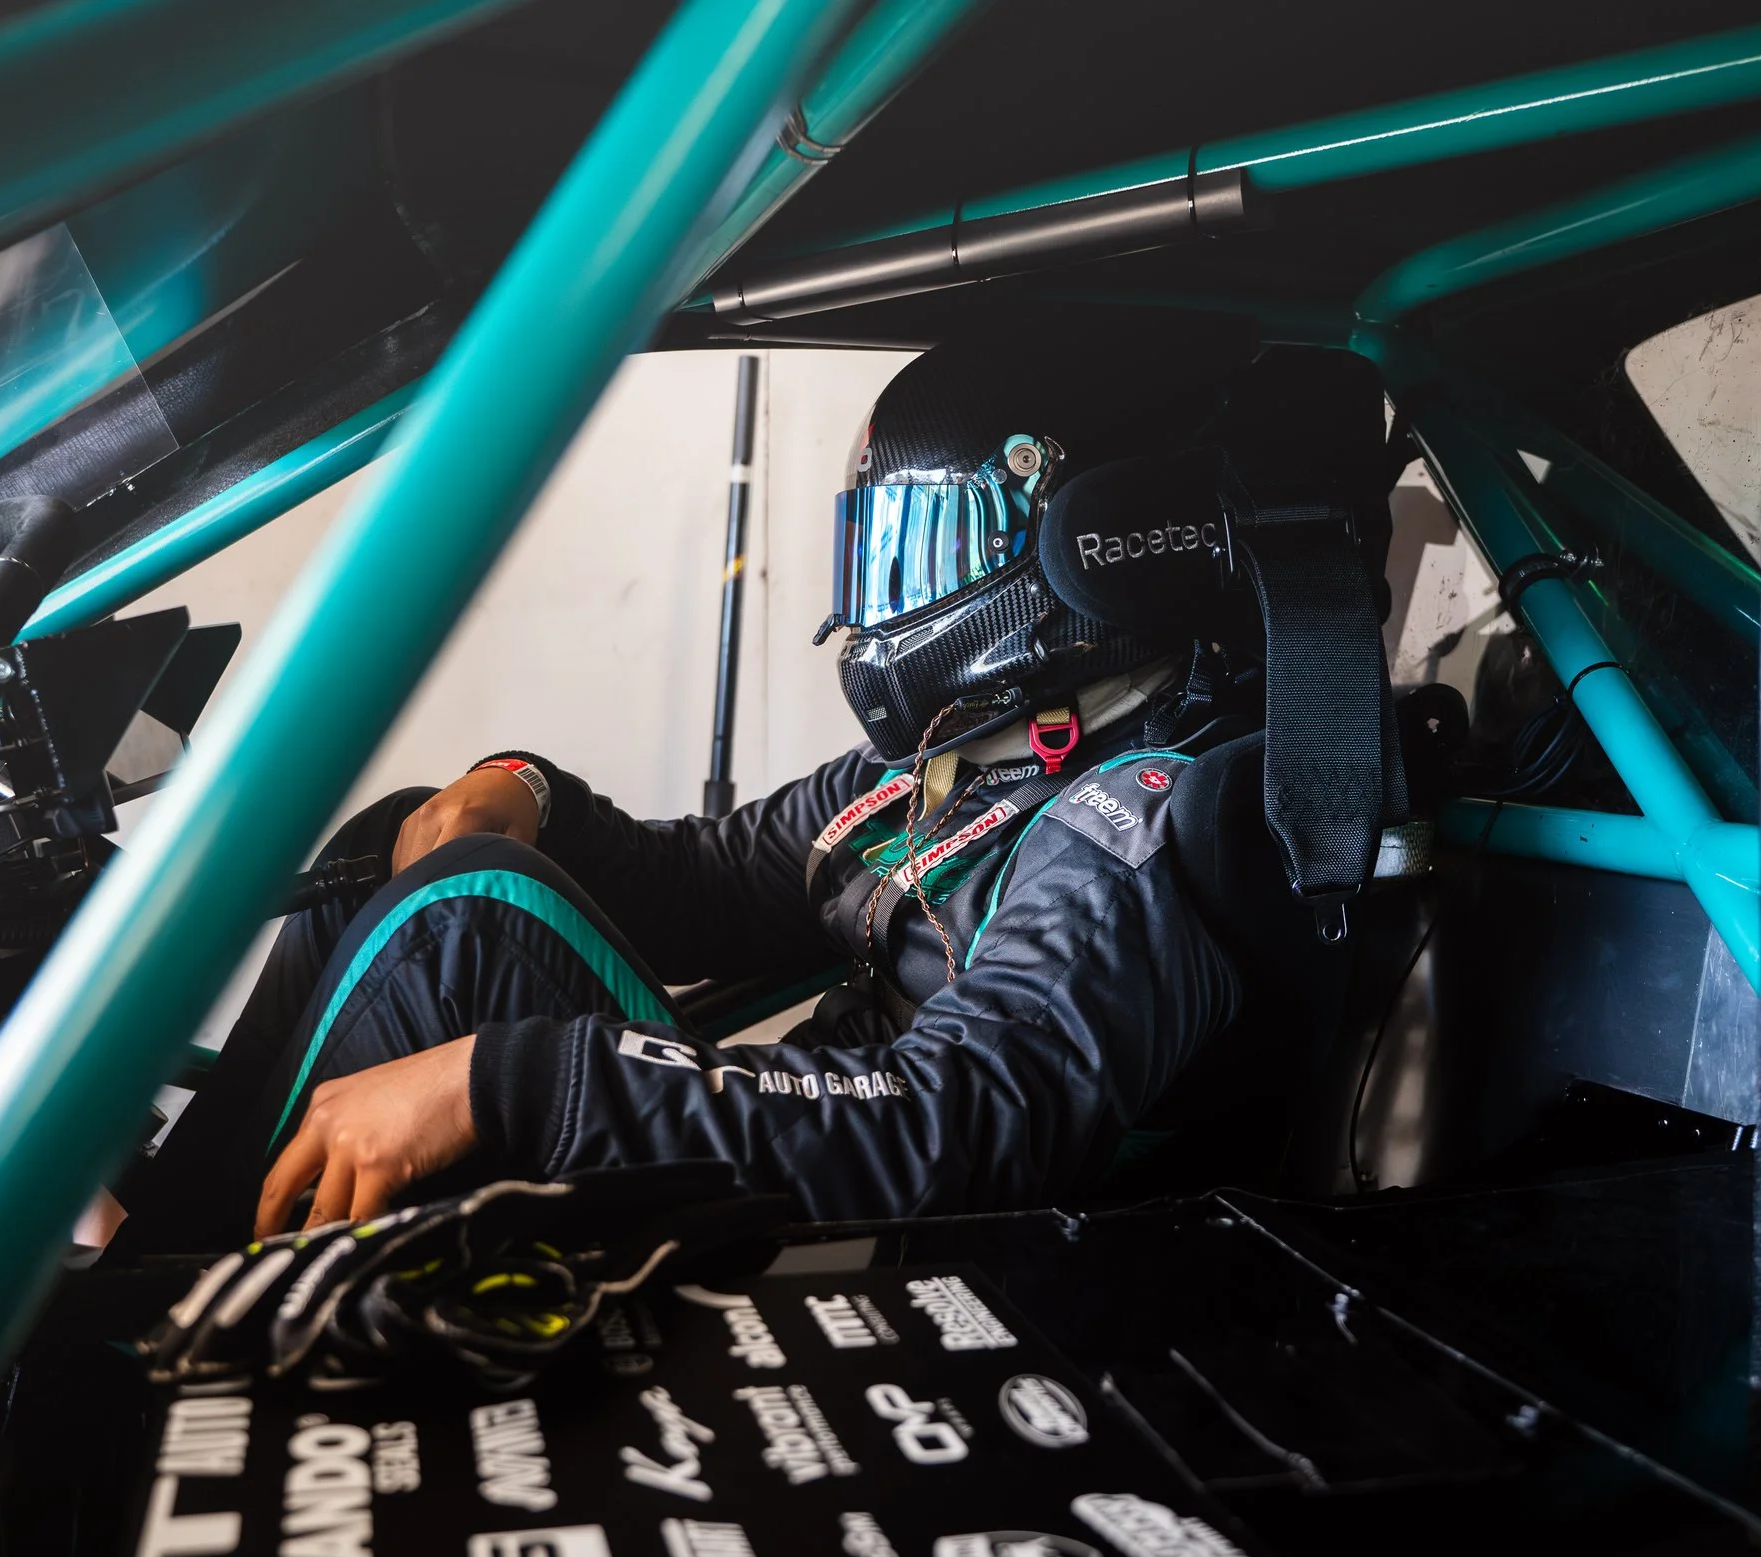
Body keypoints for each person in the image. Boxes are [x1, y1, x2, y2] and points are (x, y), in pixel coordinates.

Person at [117, 313, 1398, 1247]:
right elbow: (718, 875)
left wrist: (495, 1082)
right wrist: (524, 788)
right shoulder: (979, 756)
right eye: (878, 550)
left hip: (913, 1256)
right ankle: (172, 1247)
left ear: (1101, 556)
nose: (888, 595)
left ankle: (147, 1305)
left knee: (468, 922)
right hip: (814, 1186)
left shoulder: (1151, 814)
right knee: (402, 852)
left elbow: (951, 1130)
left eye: (929, 545)